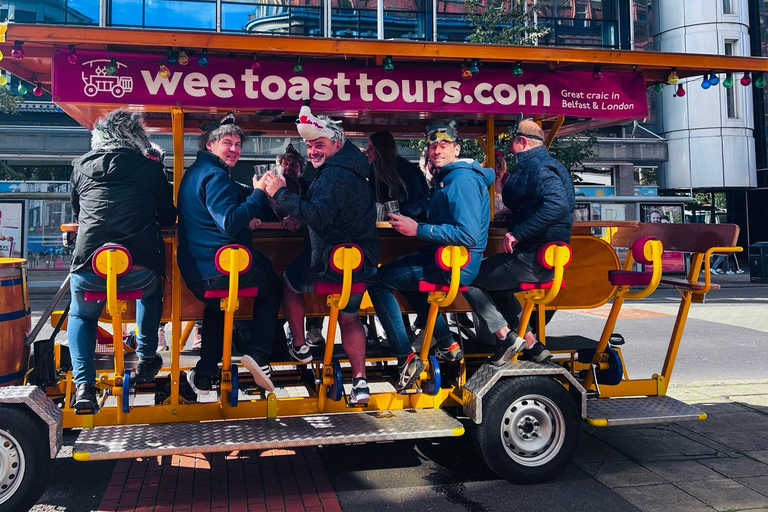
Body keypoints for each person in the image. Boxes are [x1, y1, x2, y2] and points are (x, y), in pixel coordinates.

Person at [264, 101, 379, 405]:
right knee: (350, 318)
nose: (313, 151)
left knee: (289, 279)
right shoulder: (354, 171)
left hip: (328, 265)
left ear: (337, 144)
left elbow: (319, 215)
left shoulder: (332, 175)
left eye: (320, 145)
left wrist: (279, 193)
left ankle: (300, 346)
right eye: (310, 146)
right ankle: (360, 381)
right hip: (360, 266)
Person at [367, 119, 495, 391]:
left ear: (457, 149)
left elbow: (468, 235)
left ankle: (406, 358)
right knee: (403, 277)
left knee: (378, 282)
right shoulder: (451, 177)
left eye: (444, 145)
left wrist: (417, 228)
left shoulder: (460, 180)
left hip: (453, 265)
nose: (437, 150)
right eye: (433, 145)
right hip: (444, 260)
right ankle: (447, 344)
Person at [68, 109, 177, 412]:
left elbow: (78, 214)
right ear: (137, 138)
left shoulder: (79, 166)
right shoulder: (150, 168)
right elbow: (168, 216)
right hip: (138, 271)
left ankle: (84, 387)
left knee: (82, 316)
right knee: (153, 289)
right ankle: (145, 358)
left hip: (90, 265)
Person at [177, 113, 282, 395]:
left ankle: (204, 373)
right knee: (272, 285)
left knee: (217, 308)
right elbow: (229, 221)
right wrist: (259, 194)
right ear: (210, 145)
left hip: (198, 272)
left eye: (237, 143)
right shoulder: (216, 175)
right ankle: (259, 355)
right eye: (227, 142)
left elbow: (220, 217)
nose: (234, 148)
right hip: (220, 268)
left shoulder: (195, 172)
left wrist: (247, 215)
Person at [463, 117, 575, 366]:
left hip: (532, 256)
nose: (511, 150)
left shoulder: (538, 168)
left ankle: (504, 337)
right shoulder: (551, 165)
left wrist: (518, 232)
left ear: (523, 142)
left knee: (466, 277)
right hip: (544, 258)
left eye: (513, 143)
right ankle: (532, 343)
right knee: (497, 288)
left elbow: (557, 205)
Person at [276, 144, 327, 347]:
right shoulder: (271, 185)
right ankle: (279, 329)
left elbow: (315, 212)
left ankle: (314, 328)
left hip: (308, 243)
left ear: (301, 168)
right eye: (285, 164)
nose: (289, 168)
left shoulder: (311, 187)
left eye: (294, 164)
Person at [366, 130, 429, 220]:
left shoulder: (405, 169)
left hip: (411, 227)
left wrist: (391, 213)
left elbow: (419, 203)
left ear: (381, 149)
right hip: (385, 228)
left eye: (371, 148)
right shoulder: (373, 172)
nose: (367, 152)